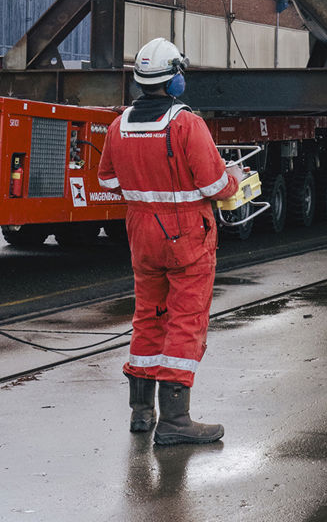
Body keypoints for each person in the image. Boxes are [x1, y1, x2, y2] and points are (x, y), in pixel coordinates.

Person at [98, 38, 240, 446]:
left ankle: (143, 412)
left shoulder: (118, 125)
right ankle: (176, 420)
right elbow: (214, 184)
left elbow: (107, 180)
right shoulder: (186, 124)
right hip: (186, 237)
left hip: (142, 233)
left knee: (148, 316)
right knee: (185, 320)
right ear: (175, 78)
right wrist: (232, 176)